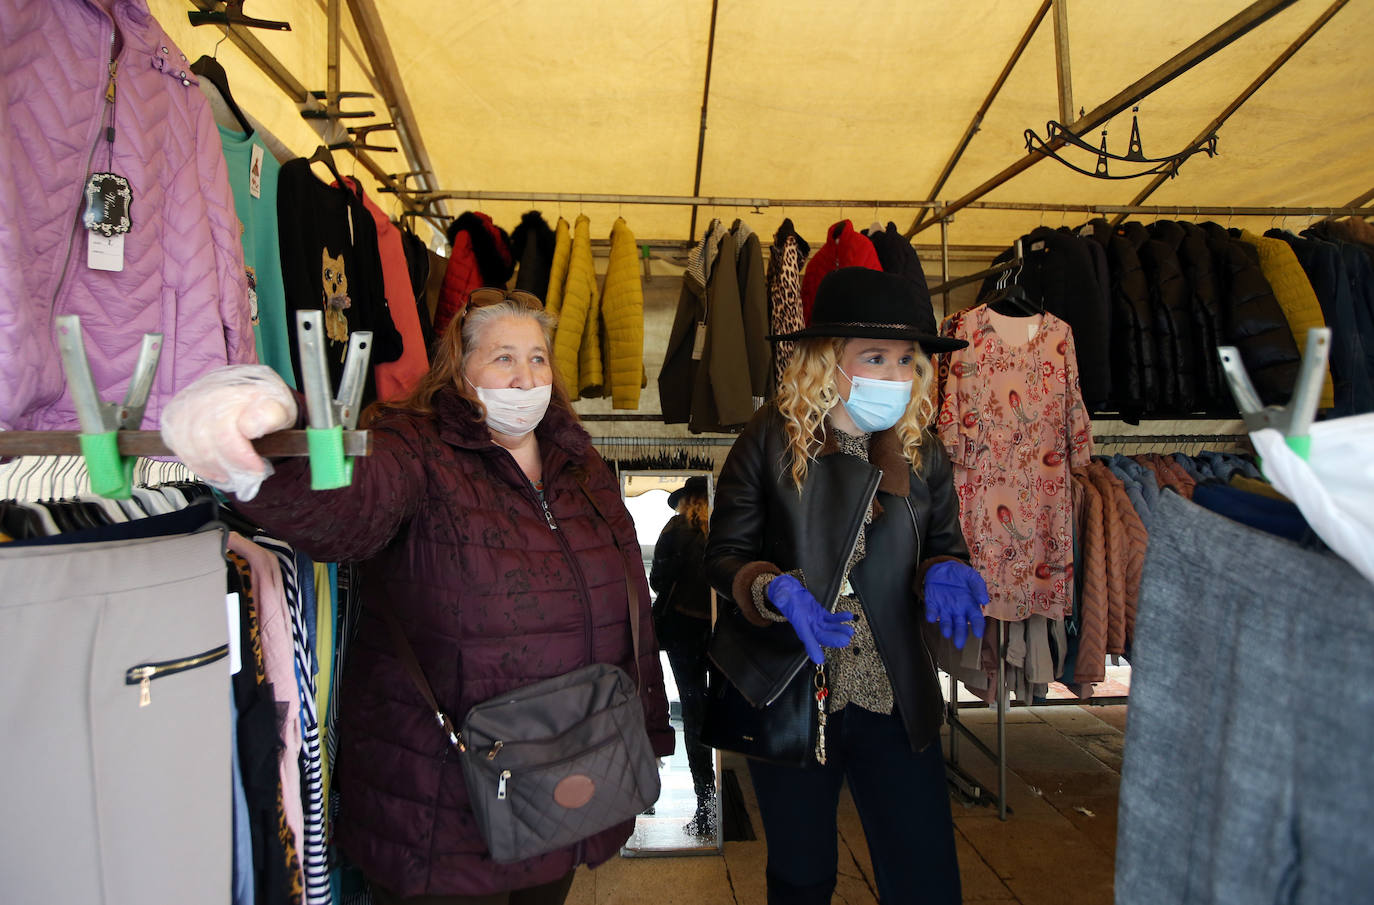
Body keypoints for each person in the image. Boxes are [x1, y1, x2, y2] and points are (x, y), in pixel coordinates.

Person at [160, 287, 673, 905]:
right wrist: (277, 435)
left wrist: (646, 732)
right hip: (442, 803)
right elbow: (348, 508)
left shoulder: (579, 464)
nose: (525, 377)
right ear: (459, 365)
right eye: (503, 357)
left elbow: (631, 606)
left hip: (567, 777)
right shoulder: (413, 447)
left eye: (538, 359)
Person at [704, 266, 988, 905]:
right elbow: (723, 555)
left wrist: (946, 568)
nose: (892, 375)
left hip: (892, 693)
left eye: (905, 360)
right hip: (796, 691)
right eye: (874, 357)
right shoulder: (770, 439)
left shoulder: (922, 451)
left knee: (925, 876)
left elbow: (946, 542)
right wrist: (772, 589)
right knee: (802, 877)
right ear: (827, 359)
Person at [648, 475, 716, 836]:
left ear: (685, 500)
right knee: (720, 711)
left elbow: (658, 581)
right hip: (719, 633)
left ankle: (706, 805)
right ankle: (721, 796)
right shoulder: (720, 528)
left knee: (693, 711)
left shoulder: (675, 530)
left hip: (682, 631)